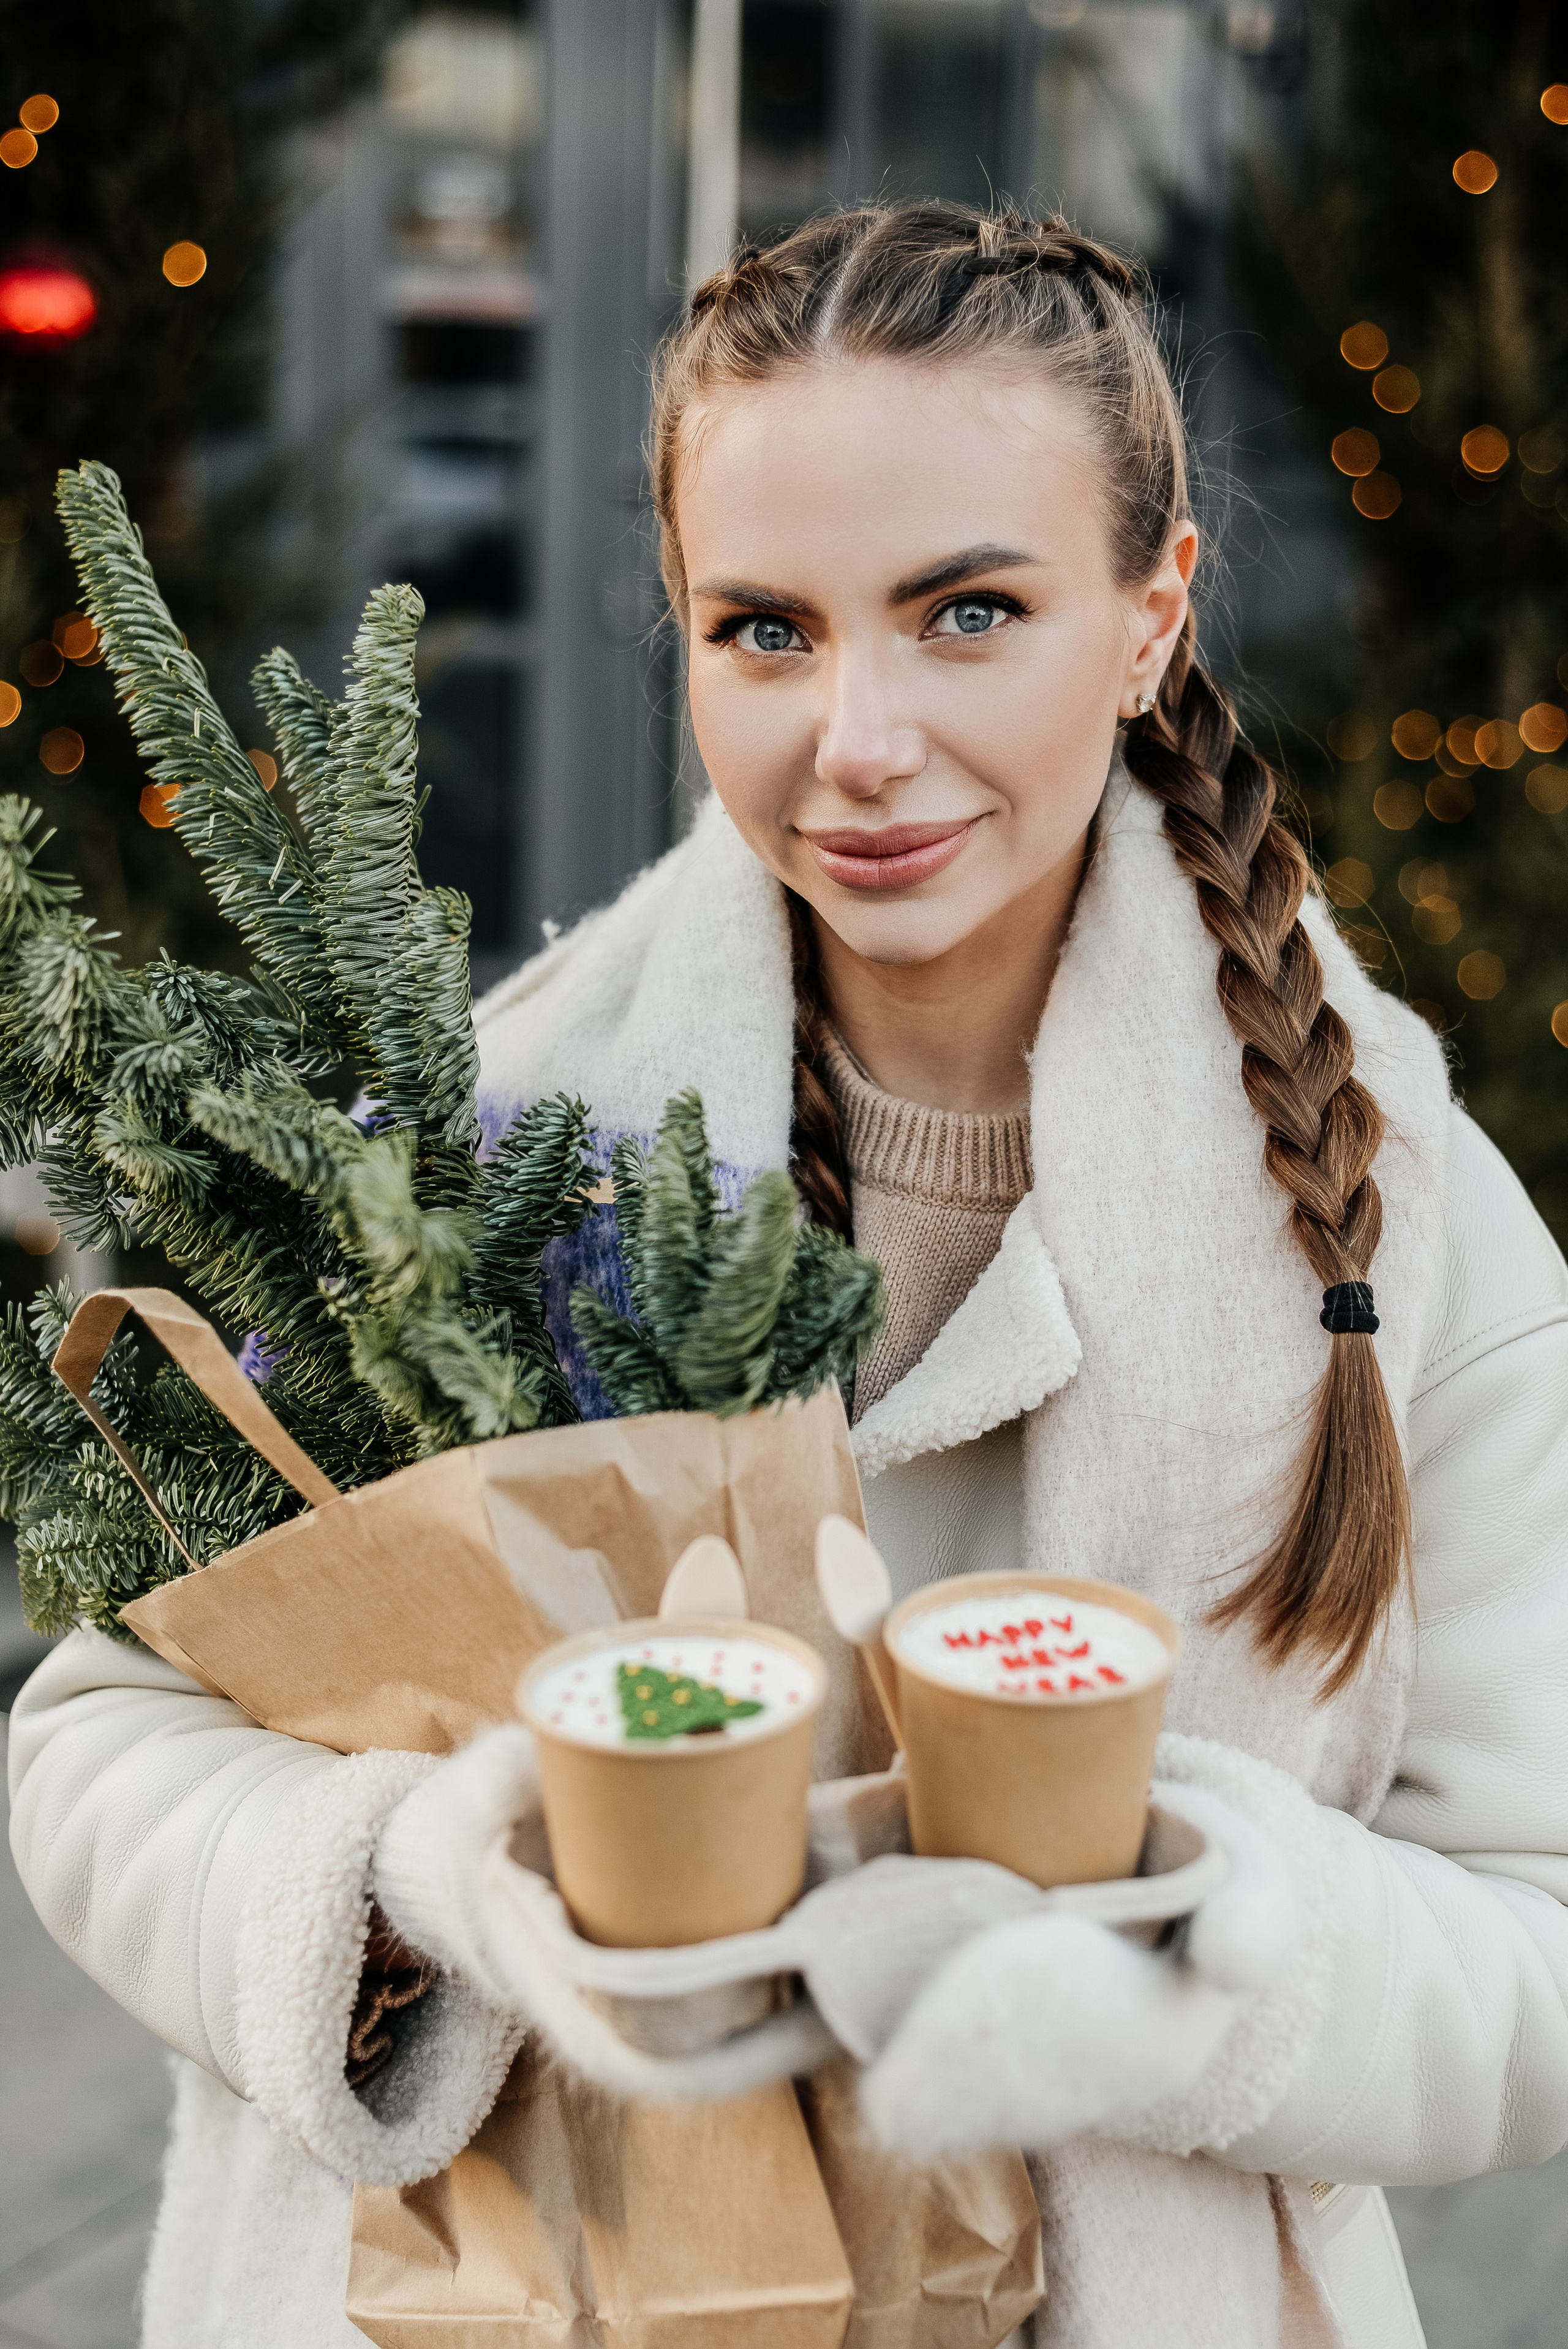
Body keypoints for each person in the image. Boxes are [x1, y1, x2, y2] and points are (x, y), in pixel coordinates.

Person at [10, 200, 1568, 2348]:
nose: (857, 736)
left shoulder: (1408, 1225)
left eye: (967, 612)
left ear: (1150, 611)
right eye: (766, 628)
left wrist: (1177, 1941)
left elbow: (1540, 1930)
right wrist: (424, 1879)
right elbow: (109, 1738)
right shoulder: (471, 1151)